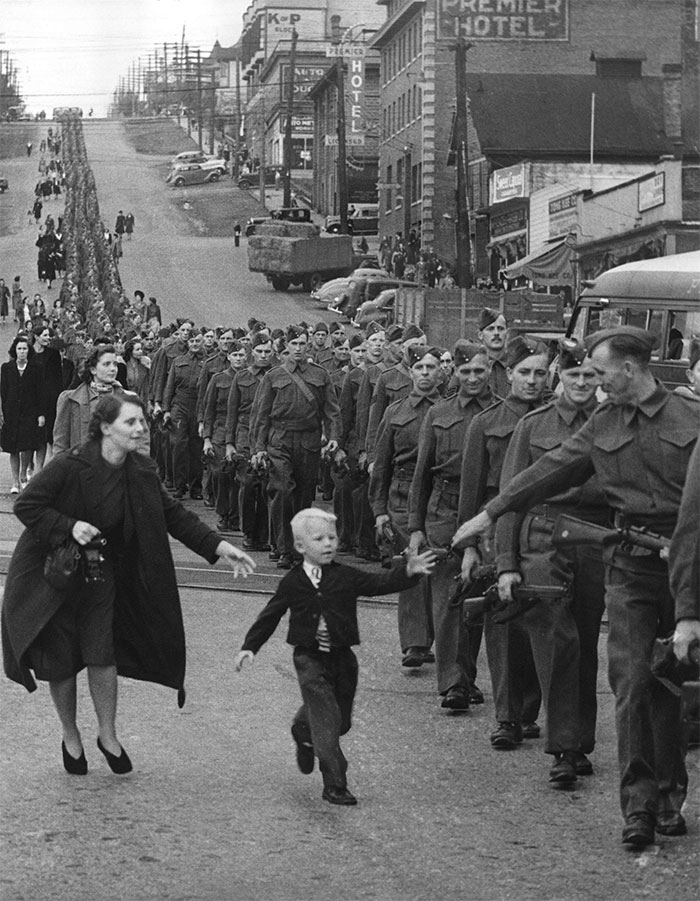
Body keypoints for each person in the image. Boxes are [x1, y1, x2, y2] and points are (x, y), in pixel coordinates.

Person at [452, 326, 700, 847]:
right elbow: (552, 469)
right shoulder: (605, 421)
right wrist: (492, 512)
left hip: (687, 569)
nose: (594, 377)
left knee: (670, 687)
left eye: (601, 368)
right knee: (631, 683)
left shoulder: (691, 420)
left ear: (629, 369)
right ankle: (638, 808)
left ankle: (669, 793)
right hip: (630, 567)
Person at [2, 393, 255, 775]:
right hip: (55, 578)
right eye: (130, 423)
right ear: (106, 428)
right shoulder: (69, 465)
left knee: (102, 654)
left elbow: (174, 515)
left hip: (101, 576)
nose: (140, 429)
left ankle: (108, 734)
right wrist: (69, 526)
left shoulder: (141, 470)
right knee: (62, 662)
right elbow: (27, 505)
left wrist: (220, 547)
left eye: (142, 422)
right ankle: (70, 736)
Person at [234, 508, 435, 805]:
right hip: (309, 659)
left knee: (340, 722)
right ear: (301, 547)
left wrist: (408, 572)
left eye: (332, 537)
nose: (328, 543)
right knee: (327, 722)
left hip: (343, 659)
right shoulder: (292, 582)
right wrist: (250, 646)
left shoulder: (345, 576)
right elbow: (271, 615)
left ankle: (302, 730)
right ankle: (335, 783)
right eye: (319, 538)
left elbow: (378, 584)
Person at [492, 339, 608, 784]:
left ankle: (579, 741)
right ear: (559, 375)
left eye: (590, 376)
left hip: (594, 541)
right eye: (573, 374)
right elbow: (511, 495)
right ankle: (563, 748)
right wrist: (506, 561)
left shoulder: (611, 424)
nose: (581, 383)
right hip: (542, 540)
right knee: (557, 642)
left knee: (584, 642)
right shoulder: (533, 425)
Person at [456, 336, 549, 750]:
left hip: (545, 531)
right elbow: (471, 491)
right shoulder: (486, 423)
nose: (532, 381)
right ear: (508, 373)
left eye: (540, 373)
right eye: (524, 372)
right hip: (498, 531)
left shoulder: (558, 418)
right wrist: (471, 546)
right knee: (506, 625)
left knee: (543, 623)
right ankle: (508, 717)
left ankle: (530, 709)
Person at [408, 341, 497, 707]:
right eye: (465, 371)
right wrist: (415, 526)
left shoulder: (502, 413)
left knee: (477, 596)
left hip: (487, 510)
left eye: (479, 370)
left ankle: (466, 674)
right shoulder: (438, 413)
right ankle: (453, 682)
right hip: (444, 511)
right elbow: (421, 474)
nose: (472, 377)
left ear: (489, 368)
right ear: (455, 373)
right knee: (449, 598)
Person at [369, 345, 444, 668]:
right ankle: (415, 642)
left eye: (431, 367)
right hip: (402, 495)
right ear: (410, 372)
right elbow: (381, 464)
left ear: (440, 371)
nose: (425, 373)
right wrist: (379, 509)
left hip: (440, 498)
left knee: (438, 568)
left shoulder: (449, 410)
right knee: (412, 564)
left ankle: (440, 636)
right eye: (420, 368)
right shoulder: (395, 412)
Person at [251, 326, 341, 569]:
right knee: (282, 491)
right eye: (294, 344)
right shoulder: (273, 376)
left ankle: (298, 547)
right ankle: (283, 549)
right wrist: (258, 448)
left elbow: (332, 410)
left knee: (302, 496)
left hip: (309, 441)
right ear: (286, 347)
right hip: (279, 440)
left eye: (302, 344)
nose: (299, 349)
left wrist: (333, 436)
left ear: (308, 345)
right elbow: (261, 415)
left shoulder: (321, 375)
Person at [1, 335, 46, 493]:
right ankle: (15, 482)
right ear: (15, 350)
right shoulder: (6, 368)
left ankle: (23, 475)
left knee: (26, 446)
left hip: (29, 413)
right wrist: (3, 413)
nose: (22, 352)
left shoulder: (36, 368)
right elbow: (4, 392)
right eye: (19, 348)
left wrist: (41, 414)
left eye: (24, 349)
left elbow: (40, 392)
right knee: (13, 448)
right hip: (11, 413)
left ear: (28, 350)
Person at [477, 308, 510, 398]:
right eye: (490, 329)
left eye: (500, 328)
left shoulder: (517, 364)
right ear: (480, 335)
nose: (496, 333)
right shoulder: (471, 366)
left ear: (507, 333)